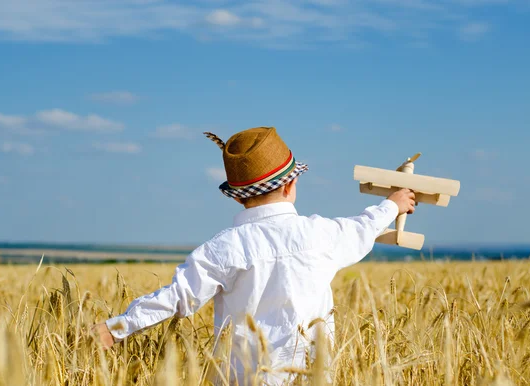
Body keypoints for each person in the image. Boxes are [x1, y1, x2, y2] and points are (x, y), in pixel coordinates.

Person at [91, 127, 415, 384]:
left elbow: (178, 298)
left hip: (243, 378)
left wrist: (117, 327)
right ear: (290, 186)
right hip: (312, 377)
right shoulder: (320, 234)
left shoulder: (222, 248)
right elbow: (362, 226)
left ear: (237, 197)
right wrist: (393, 203)